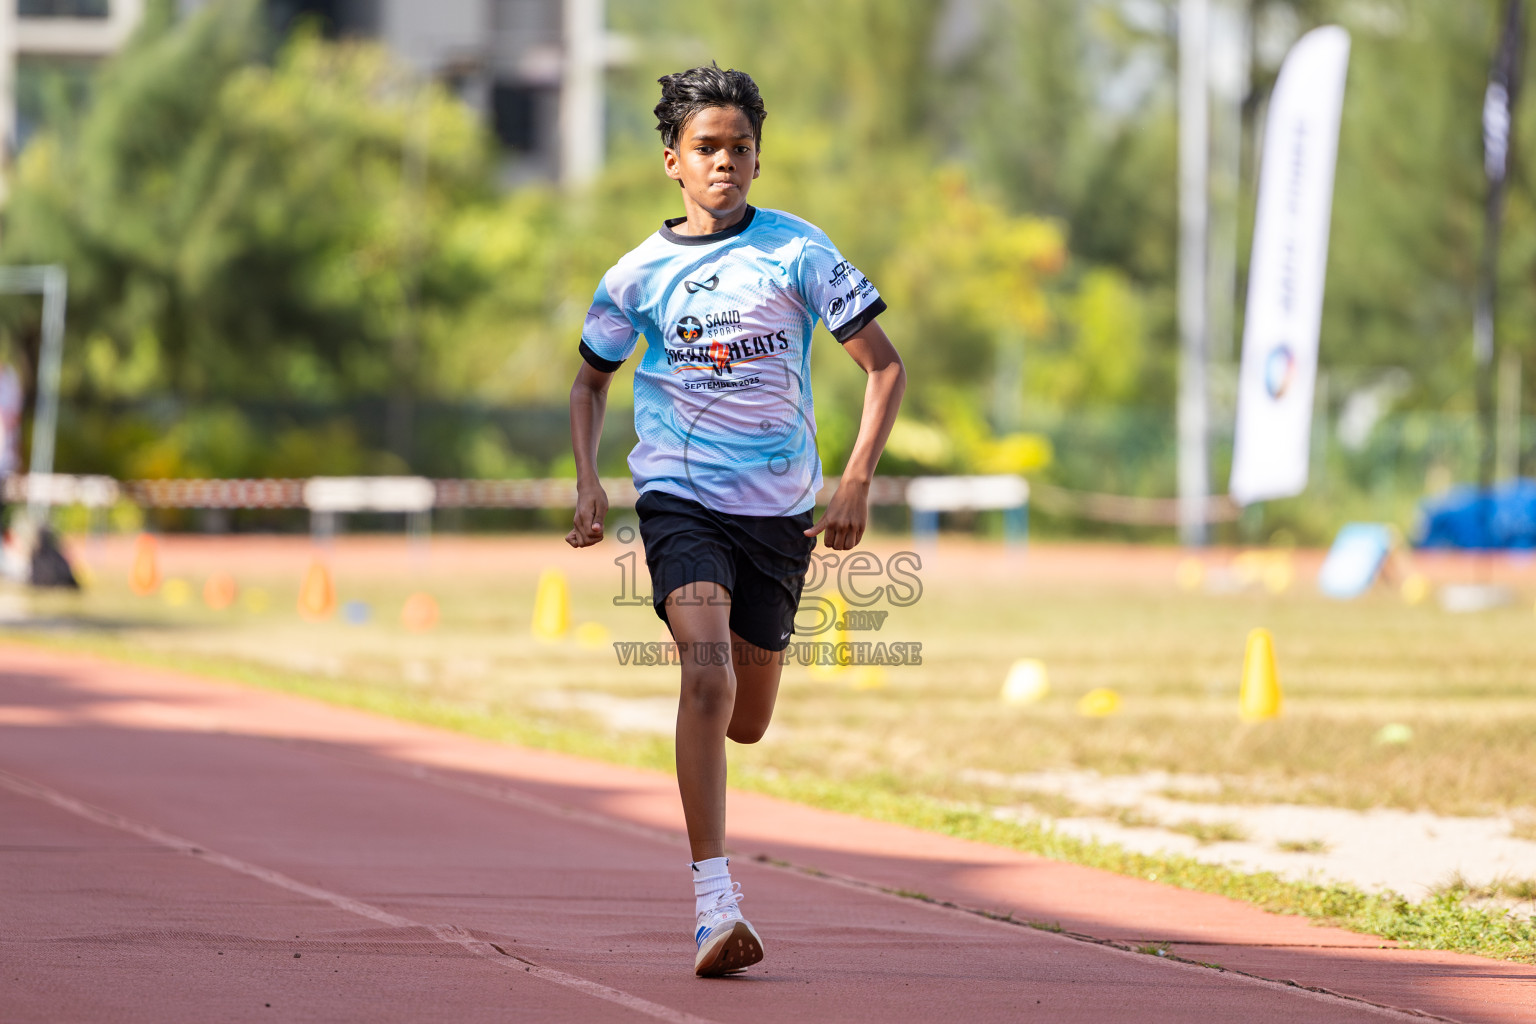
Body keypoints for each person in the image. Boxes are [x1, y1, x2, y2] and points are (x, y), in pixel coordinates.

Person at [566, 63, 905, 977]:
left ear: (758, 158)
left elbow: (883, 366)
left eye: (740, 149)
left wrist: (856, 481)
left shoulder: (798, 252)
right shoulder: (636, 275)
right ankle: (716, 906)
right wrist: (591, 482)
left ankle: (705, 764)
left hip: (779, 514)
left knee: (746, 719)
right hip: (678, 498)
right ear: (672, 160)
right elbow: (591, 380)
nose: (725, 163)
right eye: (706, 148)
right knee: (706, 678)